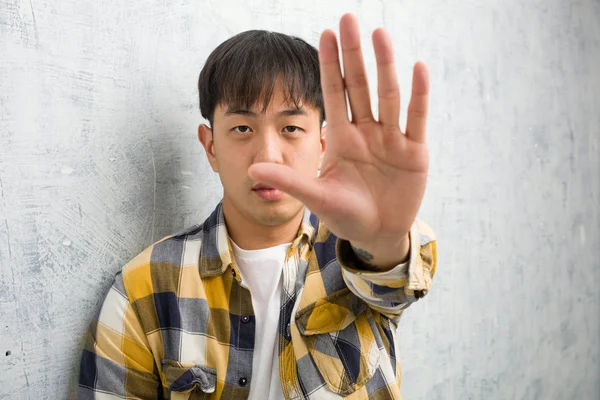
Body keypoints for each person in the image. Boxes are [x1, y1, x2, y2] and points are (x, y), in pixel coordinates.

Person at [78, 12, 437, 400]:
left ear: (322, 144)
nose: (267, 157)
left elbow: (395, 281)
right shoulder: (142, 288)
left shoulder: (350, 255)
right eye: (243, 129)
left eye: (291, 128)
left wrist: (383, 242)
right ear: (211, 146)